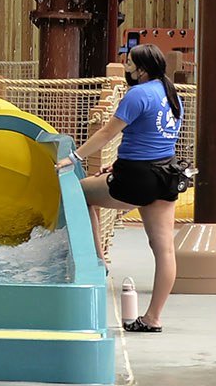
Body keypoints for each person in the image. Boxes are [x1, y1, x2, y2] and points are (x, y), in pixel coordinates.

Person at [60, 41, 182, 333]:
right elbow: (155, 138)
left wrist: (74, 157)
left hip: (136, 178)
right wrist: (116, 164)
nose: (126, 68)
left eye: (129, 64)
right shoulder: (172, 94)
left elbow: (106, 133)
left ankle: (99, 261)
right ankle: (153, 318)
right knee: (164, 249)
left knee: (80, 192)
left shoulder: (137, 94)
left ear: (141, 70)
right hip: (166, 174)